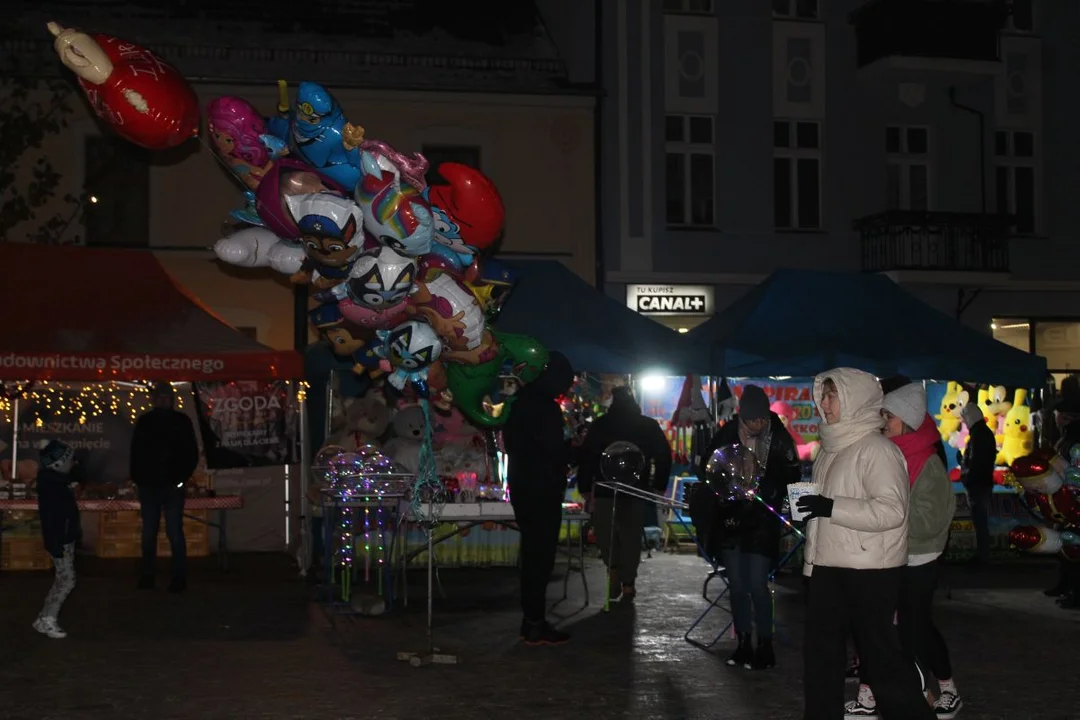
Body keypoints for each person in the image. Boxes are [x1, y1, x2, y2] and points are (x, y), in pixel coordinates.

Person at [797, 369, 935, 720]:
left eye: (832, 397)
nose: (823, 405)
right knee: (820, 656)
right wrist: (811, 558)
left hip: (870, 571)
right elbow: (825, 513)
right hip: (829, 568)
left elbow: (892, 511)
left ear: (855, 400)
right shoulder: (829, 450)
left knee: (880, 658)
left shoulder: (878, 450)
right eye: (823, 396)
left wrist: (831, 507)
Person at [845, 384, 961, 719]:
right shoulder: (888, 452)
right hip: (887, 554)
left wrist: (886, 517)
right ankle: (869, 696)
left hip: (919, 558)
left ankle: (945, 689)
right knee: (877, 625)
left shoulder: (928, 463)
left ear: (906, 420)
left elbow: (930, 520)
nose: (883, 421)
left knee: (915, 629)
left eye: (889, 416)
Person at [695, 384, 800, 670]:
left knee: (757, 584)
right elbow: (706, 468)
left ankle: (765, 644)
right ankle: (743, 642)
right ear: (742, 417)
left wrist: (773, 491)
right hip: (730, 520)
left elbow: (793, 475)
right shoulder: (727, 434)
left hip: (762, 521)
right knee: (738, 586)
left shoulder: (778, 438)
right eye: (752, 420)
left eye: (762, 419)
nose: (758, 425)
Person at [502, 350, 576, 645]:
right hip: (542, 489)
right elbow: (551, 450)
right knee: (539, 559)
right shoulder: (544, 408)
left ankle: (531, 620)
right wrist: (573, 450)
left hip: (523, 487)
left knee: (532, 555)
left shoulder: (519, 403)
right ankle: (534, 622)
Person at [577, 386, 672, 603]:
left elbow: (588, 456)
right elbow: (664, 454)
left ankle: (614, 569)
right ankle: (628, 583)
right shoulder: (647, 425)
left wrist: (585, 487)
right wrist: (658, 484)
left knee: (605, 534)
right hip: (636, 489)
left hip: (604, 489)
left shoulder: (601, 424)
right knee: (631, 537)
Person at [130, 382, 199, 593]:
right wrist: (139, 479)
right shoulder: (145, 422)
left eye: (165, 397)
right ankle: (148, 575)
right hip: (149, 486)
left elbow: (191, 454)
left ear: (171, 399)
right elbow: (136, 453)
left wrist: (180, 479)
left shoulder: (181, 422)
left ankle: (178, 577)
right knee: (149, 533)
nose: (161, 400)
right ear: (153, 399)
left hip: (171, 486)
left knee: (174, 532)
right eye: (158, 397)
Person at [33, 439, 83, 639]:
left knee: (63, 579)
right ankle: (48, 619)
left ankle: (44, 617)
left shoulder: (58, 481)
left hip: (64, 538)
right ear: (58, 464)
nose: (73, 463)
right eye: (69, 460)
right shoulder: (53, 488)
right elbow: (51, 518)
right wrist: (56, 543)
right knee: (67, 580)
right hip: (59, 540)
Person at [959, 401, 996, 565]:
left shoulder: (978, 435)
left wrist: (967, 477)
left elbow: (975, 462)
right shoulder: (983, 433)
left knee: (980, 521)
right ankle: (982, 555)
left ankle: (982, 556)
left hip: (978, 484)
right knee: (980, 521)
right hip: (982, 482)